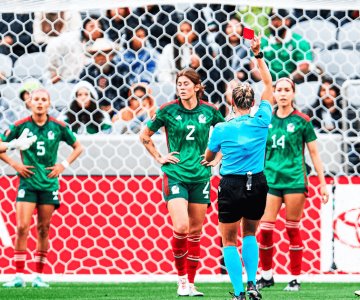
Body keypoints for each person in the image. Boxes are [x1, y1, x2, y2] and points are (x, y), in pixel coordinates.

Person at [139, 68, 224, 296]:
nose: (182, 87)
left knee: (196, 231)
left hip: (201, 176)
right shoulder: (167, 110)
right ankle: (181, 280)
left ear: (197, 87)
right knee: (181, 227)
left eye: (186, 83)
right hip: (175, 174)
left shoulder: (210, 111)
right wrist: (159, 157)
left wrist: (216, 159)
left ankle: (193, 283)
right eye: (179, 84)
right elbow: (144, 136)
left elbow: (226, 136)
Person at [205, 34, 273, 300]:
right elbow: (268, 82)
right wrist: (258, 54)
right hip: (257, 182)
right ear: (252, 102)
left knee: (228, 239)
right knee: (250, 234)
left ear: (232, 102)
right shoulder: (261, 120)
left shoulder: (222, 127)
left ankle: (238, 292)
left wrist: (210, 157)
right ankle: (254, 284)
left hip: (231, 184)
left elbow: (210, 155)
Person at [0, 88, 83, 288]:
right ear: (29, 103)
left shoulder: (59, 126)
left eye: (43, 99)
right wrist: (15, 163)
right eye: (35, 99)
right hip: (27, 183)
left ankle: (38, 276)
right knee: (21, 228)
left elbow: (78, 147)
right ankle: (18, 275)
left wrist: (63, 165)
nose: (39, 102)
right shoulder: (20, 126)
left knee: (44, 229)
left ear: (49, 103)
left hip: (48, 184)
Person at [256, 77, 329, 292]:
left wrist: (323, 183)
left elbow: (314, 153)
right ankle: (267, 275)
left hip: (295, 180)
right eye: (279, 90)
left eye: (287, 90)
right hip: (270, 180)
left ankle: (295, 278)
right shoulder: (266, 120)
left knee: (291, 228)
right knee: (266, 229)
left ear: (294, 93)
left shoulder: (302, 121)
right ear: (274, 93)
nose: (283, 93)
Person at [249, 9, 313, 83]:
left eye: (279, 19)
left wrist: (286, 82)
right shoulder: (262, 42)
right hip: (266, 84)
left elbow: (304, 66)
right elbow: (254, 65)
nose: (275, 22)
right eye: (272, 19)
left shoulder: (299, 41)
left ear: (287, 21)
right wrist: (267, 84)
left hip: (292, 85)